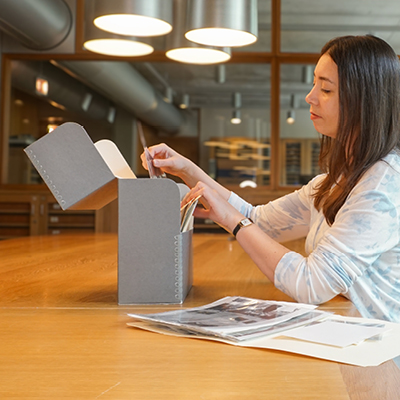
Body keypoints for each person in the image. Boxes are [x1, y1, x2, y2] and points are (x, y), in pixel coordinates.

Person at [141, 35, 400, 323]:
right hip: (348, 331)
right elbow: (260, 221)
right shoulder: (336, 181)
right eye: (315, 83)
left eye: (325, 89)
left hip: (380, 353)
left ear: (364, 101)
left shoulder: (381, 188)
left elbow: (310, 284)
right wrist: (187, 170)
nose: (310, 96)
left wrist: (231, 220)